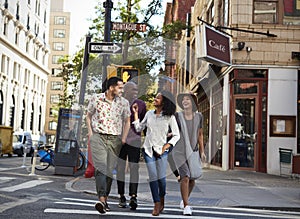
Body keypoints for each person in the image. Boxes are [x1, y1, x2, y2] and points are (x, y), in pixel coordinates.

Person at [86, 76, 131, 214]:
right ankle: (101, 199)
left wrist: (123, 138)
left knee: (110, 170)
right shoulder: (96, 99)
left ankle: (104, 198)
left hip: (114, 139)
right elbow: (88, 115)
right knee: (101, 168)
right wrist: (90, 133)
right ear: (111, 87)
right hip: (98, 136)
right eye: (120, 87)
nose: (122, 90)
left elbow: (127, 120)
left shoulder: (124, 102)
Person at [132, 90, 180, 216]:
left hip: (162, 151)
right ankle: (156, 203)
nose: (155, 99)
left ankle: (162, 198)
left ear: (164, 102)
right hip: (148, 150)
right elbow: (139, 128)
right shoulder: (149, 114)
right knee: (153, 176)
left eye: (158, 98)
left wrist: (167, 146)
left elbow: (176, 135)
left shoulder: (170, 117)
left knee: (162, 180)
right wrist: (136, 114)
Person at [173, 92, 206, 216]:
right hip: (179, 151)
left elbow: (200, 134)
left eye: (188, 99)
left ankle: (184, 199)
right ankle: (186, 206)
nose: (185, 101)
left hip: (193, 151)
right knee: (185, 177)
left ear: (193, 102)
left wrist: (202, 152)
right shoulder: (177, 116)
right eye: (183, 100)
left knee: (192, 180)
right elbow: (172, 129)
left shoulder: (199, 117)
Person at [117, 81, 147, 210]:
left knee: (134, 168)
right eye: (132, 90)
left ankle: (133, 196)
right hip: (119, 140)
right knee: (120, 168)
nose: (135, 92)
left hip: (134, 140)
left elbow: (144, 123)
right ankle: (121, 195)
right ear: (126, 90)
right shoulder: (118, 103)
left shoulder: (141, 104)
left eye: (136, 90)